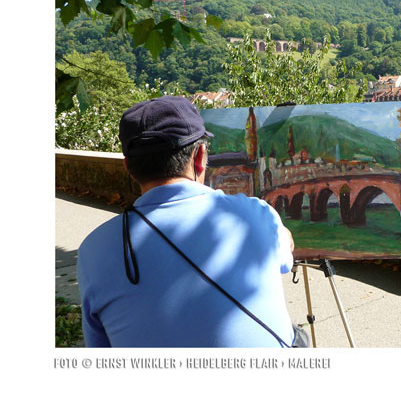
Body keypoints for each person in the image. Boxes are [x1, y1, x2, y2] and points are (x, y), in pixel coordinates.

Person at [77, 95, 305, 347]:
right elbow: (286, 254)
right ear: (200, 156)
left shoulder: (93, 249)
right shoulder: (258, 214)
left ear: (128, 167)